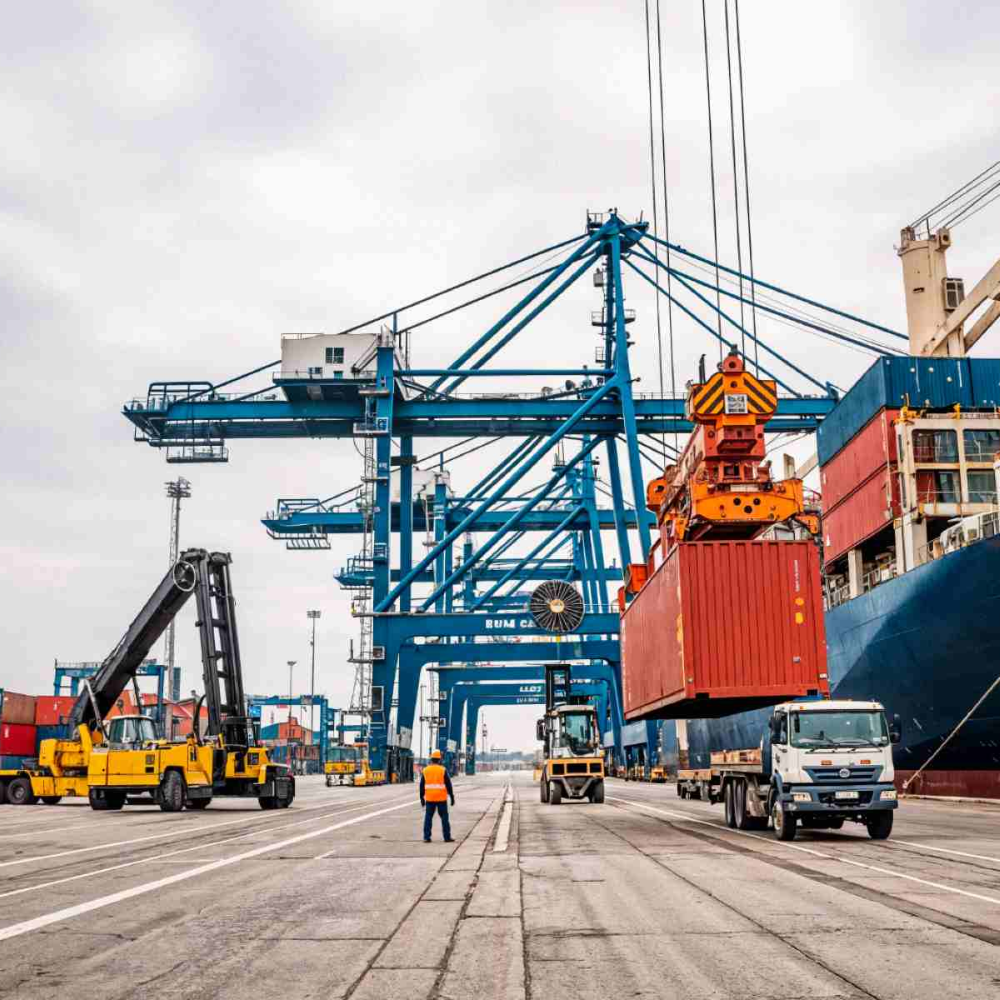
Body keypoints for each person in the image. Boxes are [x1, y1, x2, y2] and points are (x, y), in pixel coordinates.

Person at [420, 748, 455, 843]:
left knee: (428, 817)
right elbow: (448, 784)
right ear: (439, 760)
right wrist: (452, 796)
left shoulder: (425, 770)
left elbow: (422, 785)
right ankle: (447, 837)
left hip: (430, 798)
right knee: (444, 818)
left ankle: (426, 837)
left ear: (431, 759)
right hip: (441, 798)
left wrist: (421, 798)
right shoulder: (443, 770)